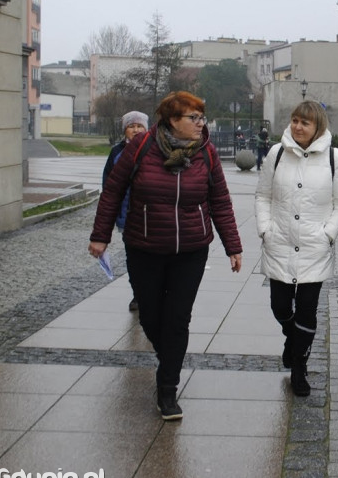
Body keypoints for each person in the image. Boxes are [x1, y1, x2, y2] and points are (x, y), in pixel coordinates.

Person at [89, 91, 243, 420]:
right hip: (144, 246)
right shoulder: (141, 147)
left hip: (191, 249)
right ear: (173, 120)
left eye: (202, 118)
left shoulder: (207, 154)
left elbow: (220, 201)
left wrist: (233, 246)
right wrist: (100, 236)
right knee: (149, 315)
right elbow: (113, 191)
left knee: (177, 317)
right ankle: (170, 355)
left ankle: (167, 387)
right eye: (194, 118)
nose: (201, 124)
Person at [255, 101, 338, 397]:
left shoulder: (335, 158)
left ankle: (299, 368)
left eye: (304, 123)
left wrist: (329, 235)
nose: (297, 127)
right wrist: (265, 229)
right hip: (279, 242)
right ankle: (292, 338)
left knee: (307, 311)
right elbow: (263, 195)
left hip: (314, 247)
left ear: (317, 127)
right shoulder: (277, 153)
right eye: (295, 120)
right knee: (280, 307)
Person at [102, 110, 149, 313]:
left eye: (140, 126)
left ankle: (152, 293)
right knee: (133, 257)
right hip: (127, 215)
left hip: (151, 215)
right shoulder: (117, 152)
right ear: (125, 130)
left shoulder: (154, 149)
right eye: (132, 126)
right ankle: (138, 294)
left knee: (150, 256)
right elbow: (109, 185)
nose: (136, 130)